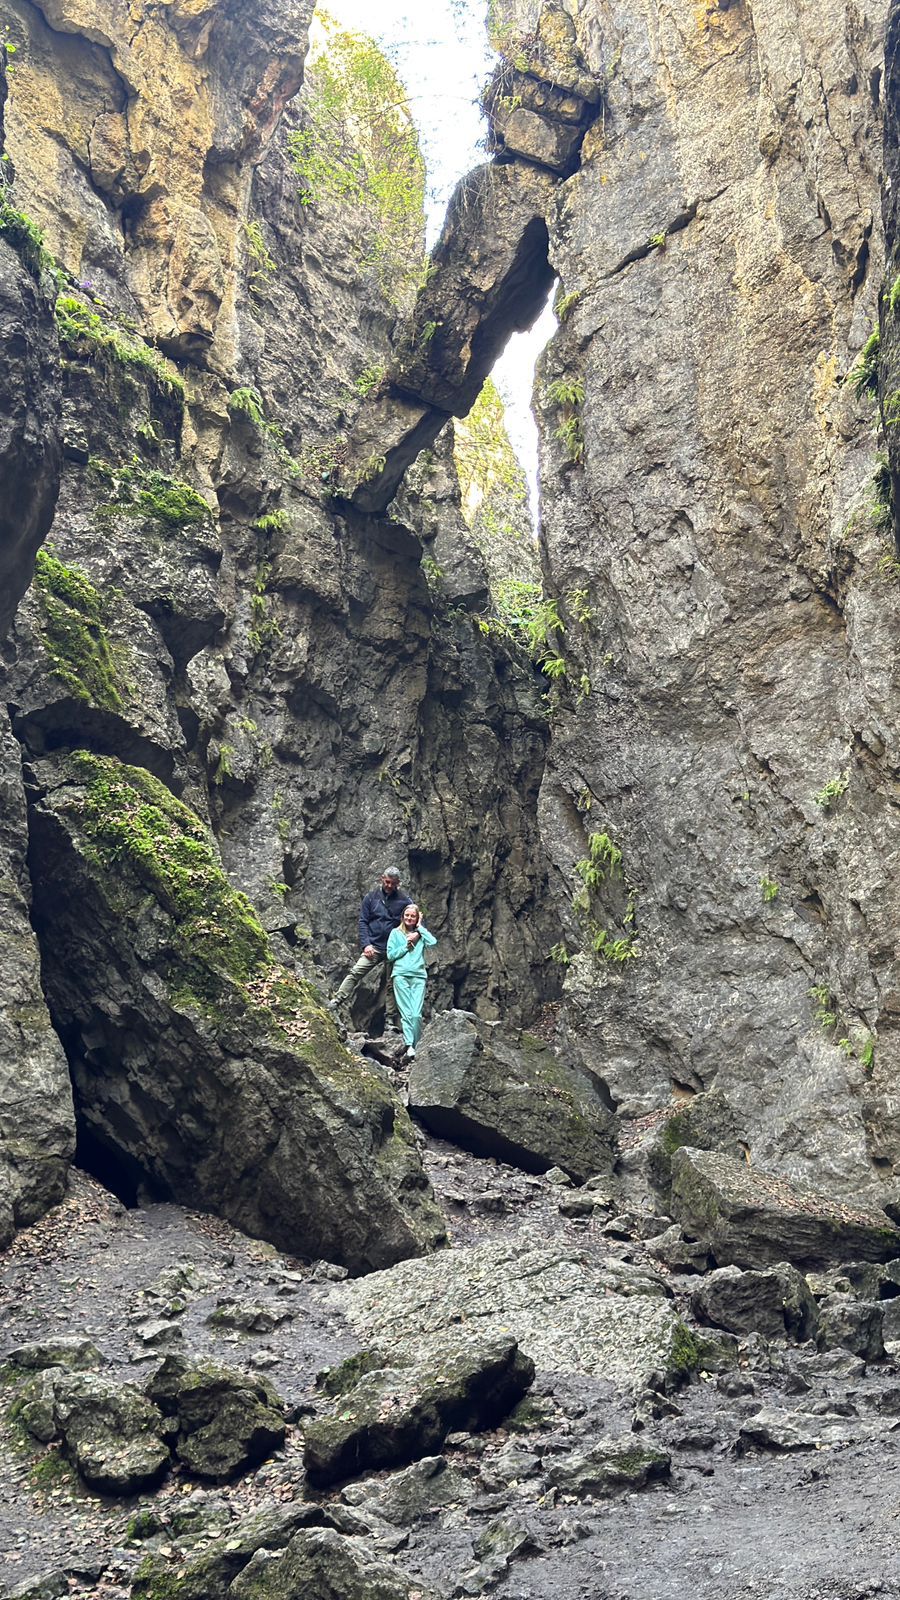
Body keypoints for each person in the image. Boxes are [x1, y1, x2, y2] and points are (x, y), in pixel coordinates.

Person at [332, 867, 412, 1024]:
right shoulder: (371, 898)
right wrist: (366, 944)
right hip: (373, 946)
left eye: (393, 883)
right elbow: (363, 921)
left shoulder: (404, 901)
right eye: (387, 882)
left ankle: (390, 1020)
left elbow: (415, 918)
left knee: (392, 983)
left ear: (398, 883)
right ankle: (337, 1001)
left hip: (393, 950)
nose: (389, 886)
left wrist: (414, 935)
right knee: (356, 972)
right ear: (382, 878)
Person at [386, 903, 437, 1059]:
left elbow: (433, 942)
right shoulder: (395, 933)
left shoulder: (420, 935)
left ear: (417, 918)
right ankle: (410, 1046)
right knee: (407, 1013)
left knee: (416, 1015)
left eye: (413, 916)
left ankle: (417, 1044)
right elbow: (390, 955)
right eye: (407, 915)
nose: (409, 918)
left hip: (418, 976)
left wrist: (420, 929)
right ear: (403, 917)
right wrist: (406, 947)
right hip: (400, 975)